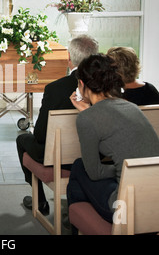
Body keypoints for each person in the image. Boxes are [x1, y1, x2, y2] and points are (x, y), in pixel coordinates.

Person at [67, 54, 159, 227]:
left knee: (79, 167)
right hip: (155, 197)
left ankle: (76, 222)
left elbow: (94, 172)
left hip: (124, 207)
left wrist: (121, 169)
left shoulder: (87, 119)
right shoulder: (131, 107)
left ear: (81, 84)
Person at [16, 34, 99, 214]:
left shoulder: (55, 88)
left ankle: (40, 201)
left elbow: (39, 135)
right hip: (97, 154)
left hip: (60, 159)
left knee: (23, 140)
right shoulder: (106, 86)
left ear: (69, 57)